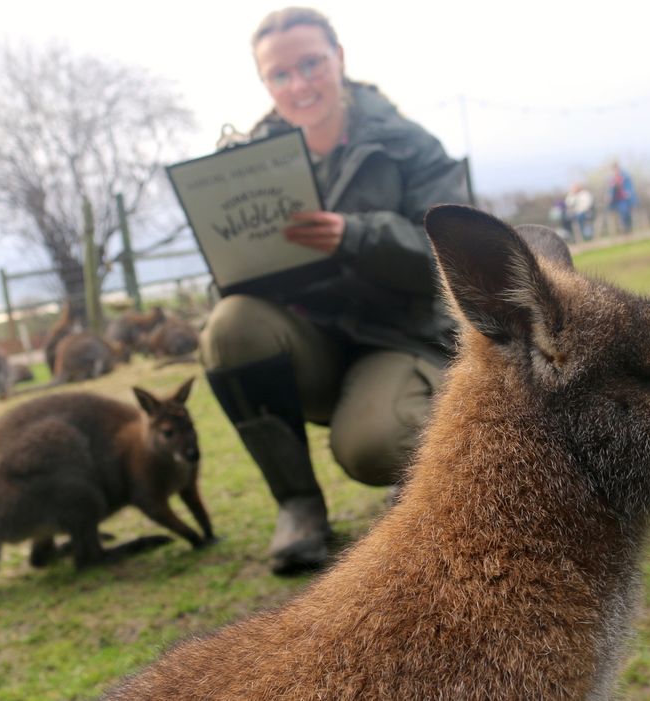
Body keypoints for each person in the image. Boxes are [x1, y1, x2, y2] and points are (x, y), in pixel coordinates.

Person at [199, 7, 470, 575]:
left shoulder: (408, 145)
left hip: (399, 337)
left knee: (376, 446)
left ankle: (449, 477)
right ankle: (298, 507)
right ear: (264, 83)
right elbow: (227, 275)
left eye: (311, 64)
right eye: (280, 75)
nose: (299, 84)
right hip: (308, 343)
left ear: (339, 59)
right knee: (229, 325)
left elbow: (454, 256)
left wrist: (355, 235)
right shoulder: (243, 166)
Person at [608, 162, 638, 233]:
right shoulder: (612, 179)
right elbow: (610, 190)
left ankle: (628, 228)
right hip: (617, 200)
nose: (615, 171)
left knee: (625, 213)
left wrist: (629, 193)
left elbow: (630, 187)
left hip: (625, 198)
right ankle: (625, 229)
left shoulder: (625, 176)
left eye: (616, 169)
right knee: (622, 213)